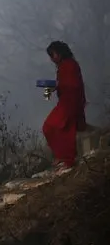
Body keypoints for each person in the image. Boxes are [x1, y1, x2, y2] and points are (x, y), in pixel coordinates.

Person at [42, 41, 87, 169]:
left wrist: (56, 85)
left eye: (52, 54)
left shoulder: (70, 65)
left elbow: (73, 86)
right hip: (64, 103)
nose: (52, 59)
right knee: (49, 127)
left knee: (54, 127)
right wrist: (51, 88)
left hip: (70, 104)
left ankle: (67, 159)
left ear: (60, 53)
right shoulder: (63, 66)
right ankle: (62, 156)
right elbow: (63, 84)